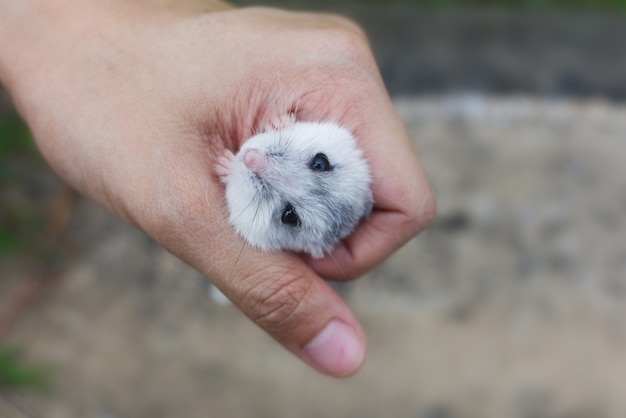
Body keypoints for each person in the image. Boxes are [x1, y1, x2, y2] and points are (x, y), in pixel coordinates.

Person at [0, 0, 435, 377]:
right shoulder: (306, 133)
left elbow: (249, 226)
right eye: (318, 163)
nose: (260, 164)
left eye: (289, 216)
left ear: (307, 248)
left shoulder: (285, 233)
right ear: (347, 151)